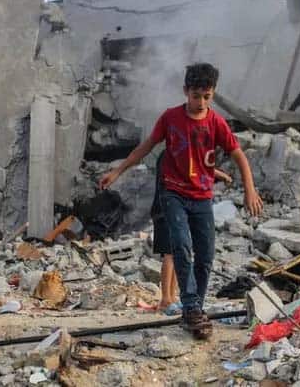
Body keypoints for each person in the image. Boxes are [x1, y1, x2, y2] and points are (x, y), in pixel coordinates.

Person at [100, 63, 263, 340]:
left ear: (213, 94)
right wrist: (117, 171)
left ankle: (195, 306)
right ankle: (190, 306)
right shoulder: (171, 118)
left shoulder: (216, 123)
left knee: (206, 255)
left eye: (207, 96)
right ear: (186, 91)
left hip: (202, 197)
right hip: (173, 192)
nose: (201, 102)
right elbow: (146, 147)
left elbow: (238, 155)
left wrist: (250, 189)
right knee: (181, 246)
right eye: (196, 96)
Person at [151, 150, 232, 315]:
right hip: (166, 209)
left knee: (176, 252)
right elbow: (195, 166)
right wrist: (220, 175)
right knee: (169, 254)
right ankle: (165, 298)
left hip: (172, 208)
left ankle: (172, 296)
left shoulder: (171, 153)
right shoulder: (172, 154)